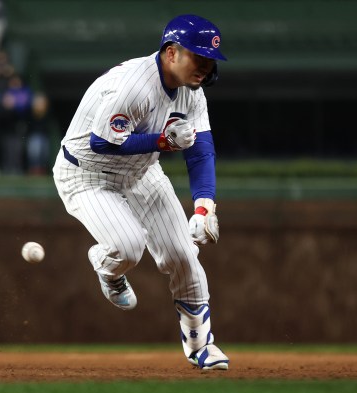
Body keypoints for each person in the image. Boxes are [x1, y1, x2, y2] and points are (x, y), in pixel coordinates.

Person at [52, 15, 229, 370]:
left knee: (183, 254)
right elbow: (102, 143)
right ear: (171, 52)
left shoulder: (191, 91)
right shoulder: (135, 86)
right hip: (87, 174)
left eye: (210, 61)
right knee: (127, 247)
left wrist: (204, 206)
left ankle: (200, 345)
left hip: (142, 172)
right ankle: (108, 270)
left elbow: (201, 148)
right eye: (199, 57)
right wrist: (161, 141)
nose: (205, 68)